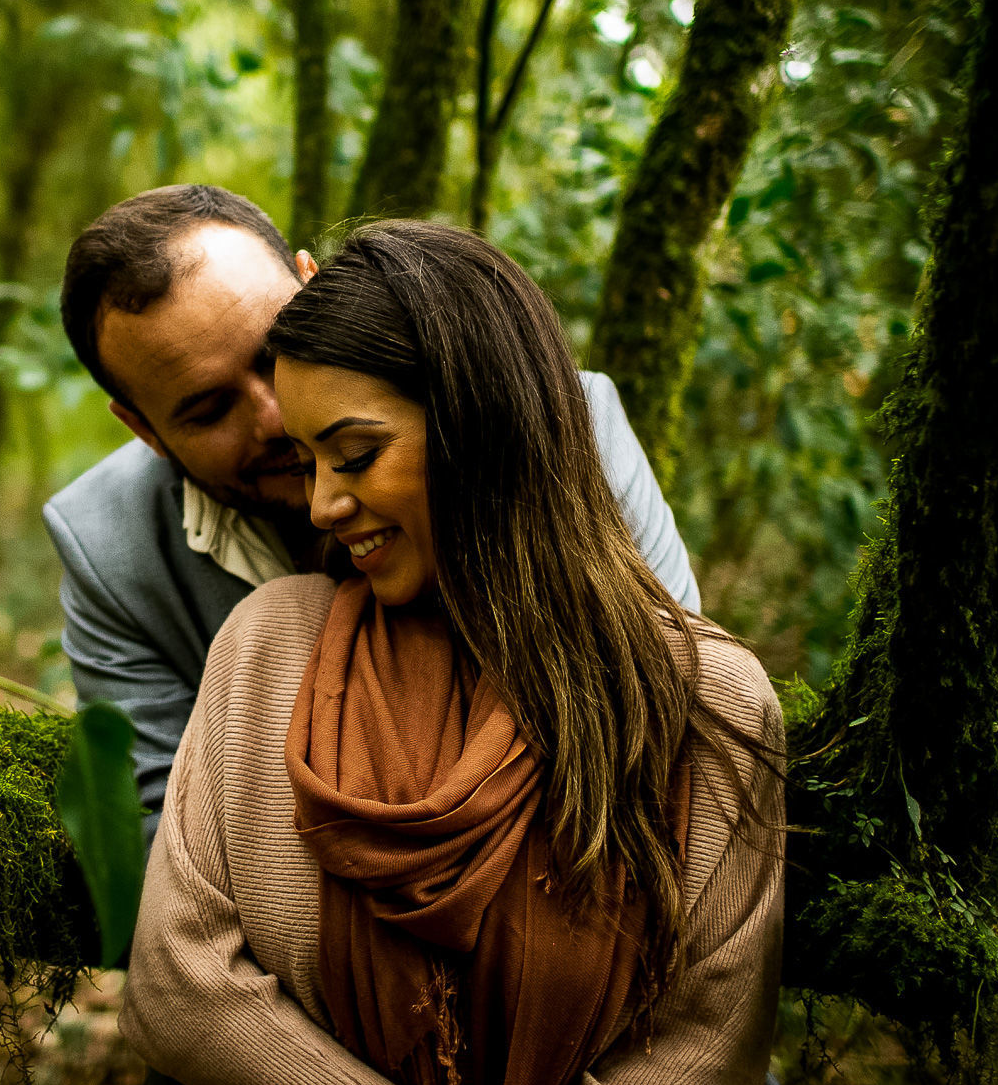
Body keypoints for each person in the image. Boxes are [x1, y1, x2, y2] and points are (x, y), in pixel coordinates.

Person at [118, 221, 785, 1085]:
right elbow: (176, 983)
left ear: (482, 421)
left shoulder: (707, 696)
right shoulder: (266, 646)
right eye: (309, 464)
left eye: (353, 456)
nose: (318, 506)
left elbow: (712, 1051)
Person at [42, 185, 699, 839]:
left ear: (313, 284)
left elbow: (674, 713)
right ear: (143, 430)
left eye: (276, 352)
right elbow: (160, 834)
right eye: (209, 410)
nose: (275, 417)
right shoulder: (109, 547)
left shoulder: (559, 427)